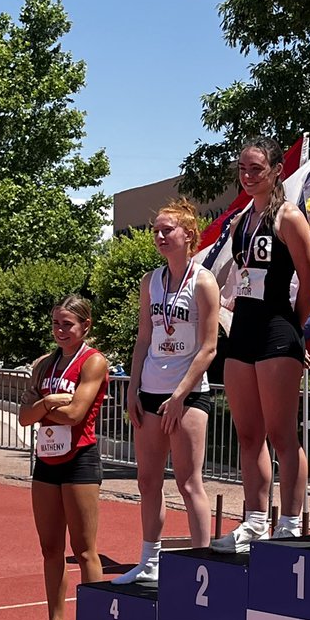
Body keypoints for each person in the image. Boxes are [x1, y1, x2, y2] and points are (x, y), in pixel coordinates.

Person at [211, 137, 310, 553]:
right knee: (249, 434)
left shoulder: (289, 217)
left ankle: (289, 522)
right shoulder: (239, 222)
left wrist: (294, 325)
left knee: (281, 434)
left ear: (276, 170)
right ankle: (254, 520)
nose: (248, 175)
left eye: (256, 168)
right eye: (242, 168)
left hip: (278, 329)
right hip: (243, 332)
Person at [113, 199, 221, 585]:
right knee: (147, 480)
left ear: (188, 235)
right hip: (150, 393)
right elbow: (143, 339)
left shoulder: (203, 281)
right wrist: (132, 387)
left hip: (188, 395)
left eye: (167, 230)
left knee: (189, 481)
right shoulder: (151, 281)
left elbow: (209, 347)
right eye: (155, 230)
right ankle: (149, 561)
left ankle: (202, 566)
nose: (159, 236)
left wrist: (179, 394)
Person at [17, 295, 109, 620]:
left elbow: (76, 414)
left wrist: (46, 410)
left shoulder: (94, 361)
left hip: (80, 460)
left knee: (84, 550)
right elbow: (25, 416)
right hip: (47, 461)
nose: (59, 330)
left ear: (85, 326)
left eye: (67, 324)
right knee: (50, 548)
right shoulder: (43, 364)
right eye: (56, 322)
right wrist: (45, 405)